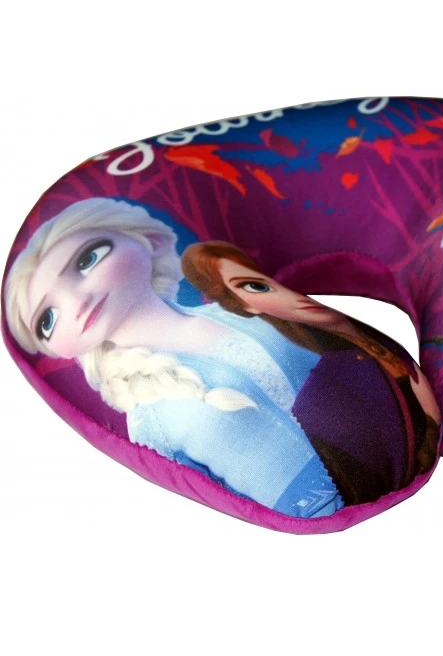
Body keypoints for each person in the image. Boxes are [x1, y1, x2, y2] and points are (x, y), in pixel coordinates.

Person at [4, 197, 344, 518]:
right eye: (47, 319)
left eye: (87, 259)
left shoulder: (241, 312)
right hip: (313, 509)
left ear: (150, 240)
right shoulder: (150, 415)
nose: (76, 303)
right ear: (55, 348)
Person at [181, 241, 441, 506]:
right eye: (256, 287)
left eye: (262, 280)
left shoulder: (368, 359)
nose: (284, 294)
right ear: (246, 307)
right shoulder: (323, 393)